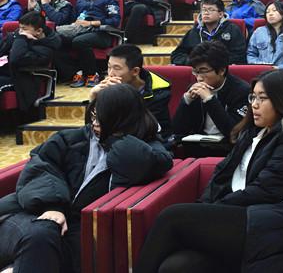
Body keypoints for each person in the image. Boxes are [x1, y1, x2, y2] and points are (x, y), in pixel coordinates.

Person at [133, 70, 283, 273]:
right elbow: (221, 173)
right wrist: (206, 205)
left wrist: (216, 207)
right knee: (174, 267)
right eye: (253, 97)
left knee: (171, 217)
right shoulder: (253, 132)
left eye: (262, 98)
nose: (254, 105)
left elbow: (266, 190)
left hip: (264, 221)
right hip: (236, 212)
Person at [0, 83, 171, 273]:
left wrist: (115, 137)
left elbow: (142, 162)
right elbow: (40, 168)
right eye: (93, 115)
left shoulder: (146, 149)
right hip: (28, 212)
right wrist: (53, 206)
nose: (95, 123)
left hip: (74, 229)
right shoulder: (71, 139)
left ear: (122, 119)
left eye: (102, 118)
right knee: (42, 233)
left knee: (49, 242)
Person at [172, 42, 250, 151]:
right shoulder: (196, 89)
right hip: (198, 147)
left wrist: (210, 100)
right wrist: (186, 101)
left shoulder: (241, 91)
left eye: (203, 71)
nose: (199, 78)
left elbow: (233, 133)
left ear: (222, 70)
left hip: (228, 149)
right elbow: (177, 130)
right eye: (195, 71)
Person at [88, 44, 174, 137]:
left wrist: (120, 95)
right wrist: (94, 97)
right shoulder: (110, 86)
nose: (110, 74)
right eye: (109, 67)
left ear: (135, 71)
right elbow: (93, 127)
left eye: (117, 68)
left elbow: (141, 129)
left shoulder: (158, 93)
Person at [55, 0, 120, 88]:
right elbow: (74, 18)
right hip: (79, 30)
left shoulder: (109, 0)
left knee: (80, 41)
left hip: (101, 33)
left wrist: (91, 23)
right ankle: (76, 71)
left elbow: (115, 20)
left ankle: (92, 74)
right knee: (55, 38)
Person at [0, 11, 60, 115]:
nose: (20, 32)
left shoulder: (46, 49)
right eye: (20, 28)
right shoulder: (16, 36)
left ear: (39, 31)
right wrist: (16, 38)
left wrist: (21, 38)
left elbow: (16, 59)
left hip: (22, 80)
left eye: (24, 29)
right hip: (7, 73)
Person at [171, 0, 247, 65]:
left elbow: (239, 55)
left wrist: (213, 62)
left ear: (220, 14)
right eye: (204, 10)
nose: (206, 13)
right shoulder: (194, 32)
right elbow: (177, 55)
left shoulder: (232, 29)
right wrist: (192, 61)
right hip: (197, 70)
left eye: (210, 10)